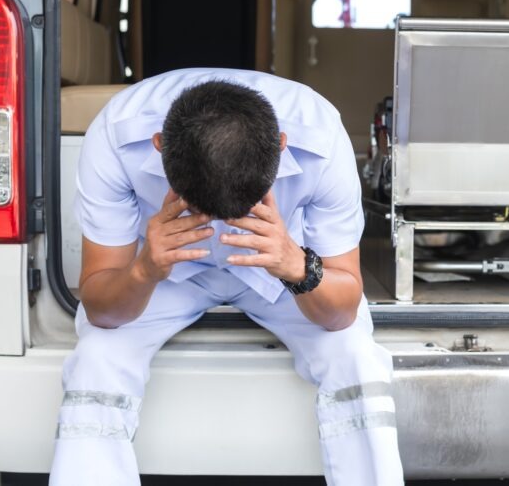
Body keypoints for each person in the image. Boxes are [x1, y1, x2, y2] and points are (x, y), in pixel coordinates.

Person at [49, 68, 404, 486]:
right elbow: (102, 310)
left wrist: (296, 265)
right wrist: (144, 270)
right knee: (97, 358)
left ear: (282, 149)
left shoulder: (321, 137)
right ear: (159, 148)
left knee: (355, 357)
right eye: (200, 208)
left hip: (275, 268)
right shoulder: (114, 134)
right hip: (167, 270)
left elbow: (341, 312)